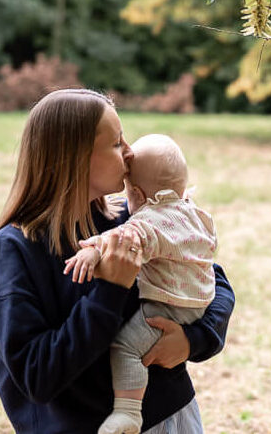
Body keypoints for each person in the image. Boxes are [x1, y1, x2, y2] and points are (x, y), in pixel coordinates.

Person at [0, 89, 234, 433]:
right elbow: (36, 376)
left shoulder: (126, 222)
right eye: (116, 143)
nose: (130, 152)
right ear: (74, 157)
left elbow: (211, 278)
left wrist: (194, 339)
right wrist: (110, 289)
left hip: (172, 417)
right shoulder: (12, 252)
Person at [63, 134, 216, 434]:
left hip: (167, 308)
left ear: (137, 194)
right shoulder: (193, 212)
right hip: (199, 301)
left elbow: (125, 238)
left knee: (127, 348)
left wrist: (92, 250)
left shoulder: (149, 221)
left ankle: (128, 411)